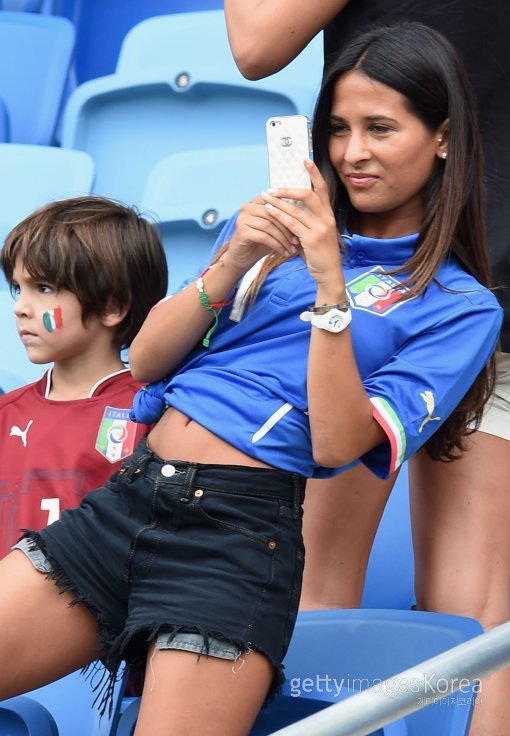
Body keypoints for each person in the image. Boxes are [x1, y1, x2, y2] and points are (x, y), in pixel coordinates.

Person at [0, 23, 503, 736]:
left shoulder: (460, 306)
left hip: (233, 544)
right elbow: (145, 360)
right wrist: (233, 259)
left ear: (443, 137)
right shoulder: (271, 241)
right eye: (338, 129)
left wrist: (330, 285)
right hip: (130, 500)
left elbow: (335, 445)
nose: (352, 153)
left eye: (381, 129)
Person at [226, 4, 510, 734]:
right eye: (340, 130)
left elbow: (254, 43)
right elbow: (256, 46)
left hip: (444, 278)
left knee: (458, 623)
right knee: (448, 614)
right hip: (376, 275)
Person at [0, 196, 168, 557]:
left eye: (43, 288)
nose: (20, 307)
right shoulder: (5, 414)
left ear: (112, 306)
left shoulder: (152, 413)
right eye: (18, 288)